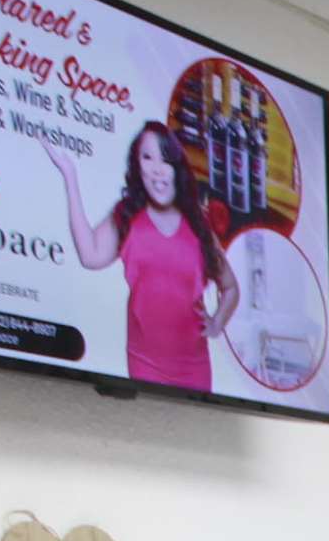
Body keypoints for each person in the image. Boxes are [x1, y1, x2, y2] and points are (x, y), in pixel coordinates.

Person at [42, 123, 234, 391]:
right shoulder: (127, 215)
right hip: (144, 364)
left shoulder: (198, 225)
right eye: (147, 157)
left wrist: (217, 323)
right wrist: (69, 176)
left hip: (195, 367)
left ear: (177, 168)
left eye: (165, 159)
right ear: (138, 166)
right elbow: (89, 255)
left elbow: (230, 287)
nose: (157, 168)